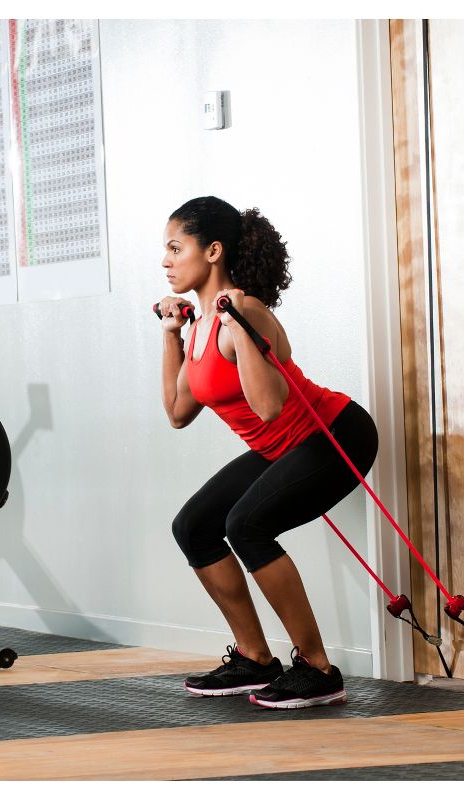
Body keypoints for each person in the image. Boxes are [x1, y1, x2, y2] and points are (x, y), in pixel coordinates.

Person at [157, 196, 378, 709]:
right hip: (280, 448)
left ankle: (318, 669)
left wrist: (236, 324)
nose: (165, 261)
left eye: (175, 248)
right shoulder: (199, 326)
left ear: (213, 251)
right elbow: (176, 412)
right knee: (194, 526)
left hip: (334, 434)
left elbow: (271, 405)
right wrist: (171, 336)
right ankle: (255, 659)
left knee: (246, 525)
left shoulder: (245, 311)